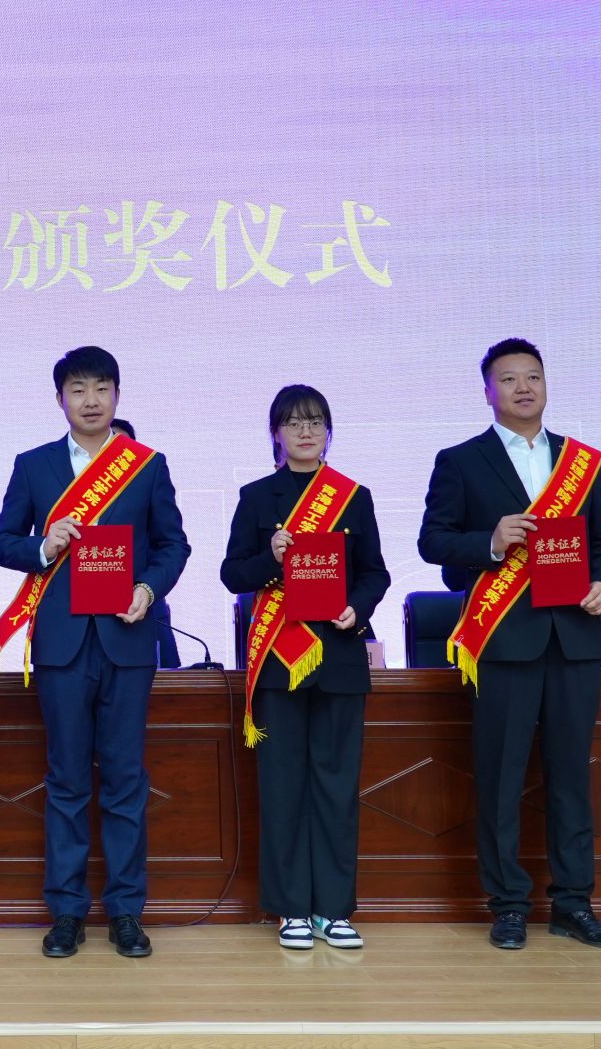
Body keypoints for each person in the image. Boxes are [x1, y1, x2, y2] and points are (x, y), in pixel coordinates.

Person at [417, 338, 601, 952]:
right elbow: (433, 541)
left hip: (574, 637)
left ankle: (574, 903)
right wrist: (491, 538)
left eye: (533, 376)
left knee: (571, 777)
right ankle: (507, 903)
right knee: (502, 777)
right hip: (504, 639)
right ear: (488, 391)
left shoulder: (580, 461)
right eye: (508, 379)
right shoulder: (461, 460)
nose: (523, 387)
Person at [0, 346, 190, 959]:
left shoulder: (146, 465)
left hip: (127, 641)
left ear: (117, 395)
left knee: (126, 780)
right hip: (62, 645)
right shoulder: (34, 465)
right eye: (78, 389)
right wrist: (43, 546)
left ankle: (126, 911)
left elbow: (173, 545)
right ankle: (68, 912)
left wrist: (148, 588)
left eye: (102, 387)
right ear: (60, 400)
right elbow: (1, 543)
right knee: (67, 781)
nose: (91, 400)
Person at [219, 386, 388, 951]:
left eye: (315, 422)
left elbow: (376, 572)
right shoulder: (255, 496)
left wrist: (357, 606)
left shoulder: (353, 496)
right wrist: (270, 556)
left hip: (338, 656)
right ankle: (291, 908)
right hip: (277, 661)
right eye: (293, 423)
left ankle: (333, 910)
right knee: (283, 786)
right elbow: (231, 574)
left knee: (336, 787)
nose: (306, 431)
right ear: (276, 434)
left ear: (329, 431)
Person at [112, 418, 180, 669]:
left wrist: (146, 588)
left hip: (144, 610)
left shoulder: (149, 486)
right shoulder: (75, 499)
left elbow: (171, 545)